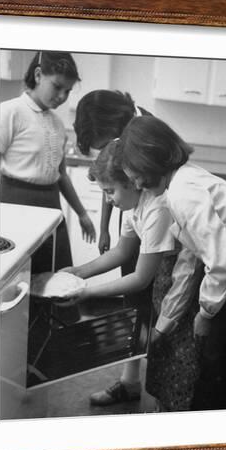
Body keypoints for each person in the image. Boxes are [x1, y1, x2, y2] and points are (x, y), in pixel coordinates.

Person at [61, 140, 201, 412]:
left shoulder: (158, 207)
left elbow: (140, 278)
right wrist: (78, 273)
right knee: (162, 353)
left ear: (133, 182)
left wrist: (85, 292)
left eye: (110, 191)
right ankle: (163, 408)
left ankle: (175, 418)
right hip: (165, 283)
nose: (108, 200)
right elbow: (123, 252)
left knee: (178, 353)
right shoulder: (133, 205)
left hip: (184, 285)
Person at [120, 115, 226, 411]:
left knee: (218, 365)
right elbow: (192, 257)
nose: (136, 183)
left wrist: (207, 313)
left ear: (151, 158)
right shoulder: (184, 179)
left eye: (135, 174)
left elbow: (223, 261)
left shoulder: (182, 192)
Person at [73, 90, 153, 405]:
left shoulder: (144, 131)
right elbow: (111, 182)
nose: (104, 146)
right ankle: (130, 381)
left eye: (103, 140)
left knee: (149, 300)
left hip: (153, 221)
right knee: (135, 300)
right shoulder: (118, 137)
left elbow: (124, 187)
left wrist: (88, 290)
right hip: (133, 216)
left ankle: (146, 384)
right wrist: (106, 226)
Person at [0, 50, 96, 273]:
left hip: (52, 205)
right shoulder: (9, 112)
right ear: (38, 75)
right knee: (20, 277)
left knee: (55, 275)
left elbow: (60, 175)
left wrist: (82, 214)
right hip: (15, 204)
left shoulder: (57, 123)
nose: (62, 96)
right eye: (57, 87)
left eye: (68, 91)